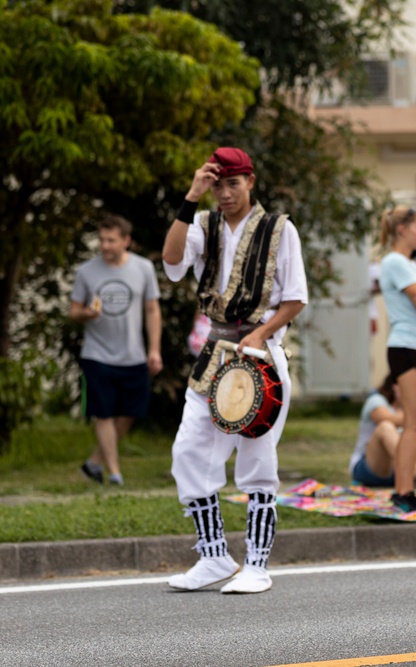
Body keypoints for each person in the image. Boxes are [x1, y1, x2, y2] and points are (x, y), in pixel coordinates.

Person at [161, 147, 308, 594]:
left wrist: (263, 334)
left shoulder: (279, 229)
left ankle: (257, 565)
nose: (224, 193)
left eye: (233, 183)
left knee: (256, 459)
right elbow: (170, 265)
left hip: (259, 355)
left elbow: (295, 298)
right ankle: (213, 556)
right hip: (214, 355)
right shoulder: (202, 224)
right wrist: (191, 196)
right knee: (189, 452)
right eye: (218, 184)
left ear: (251, 182)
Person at [70, 215, 163, 487]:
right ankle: (114, 474)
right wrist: (85, 313)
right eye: (102, 239)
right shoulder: (86, 272)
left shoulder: (144, 268)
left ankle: (94, 463)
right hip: (96, 354)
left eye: (111, 240)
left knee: (131, 412)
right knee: (103, 413)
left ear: (126, 241)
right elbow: (73, 311)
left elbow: (151, 309)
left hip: (133, 354)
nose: (105, 245)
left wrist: (154, 349)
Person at [378, 205, 416, 513]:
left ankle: (407, 488)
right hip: (408, 346)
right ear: (402, 230)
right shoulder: (394, 261)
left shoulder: (410, 264)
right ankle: (403, 491)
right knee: (414, 424)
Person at [349, 375, 416, 491]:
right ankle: (415, 470)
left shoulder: (407, 411)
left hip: (397, 470)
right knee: (385, 427)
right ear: (395, 387)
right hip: (368, 466)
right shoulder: (376, 400)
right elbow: (388, 419)